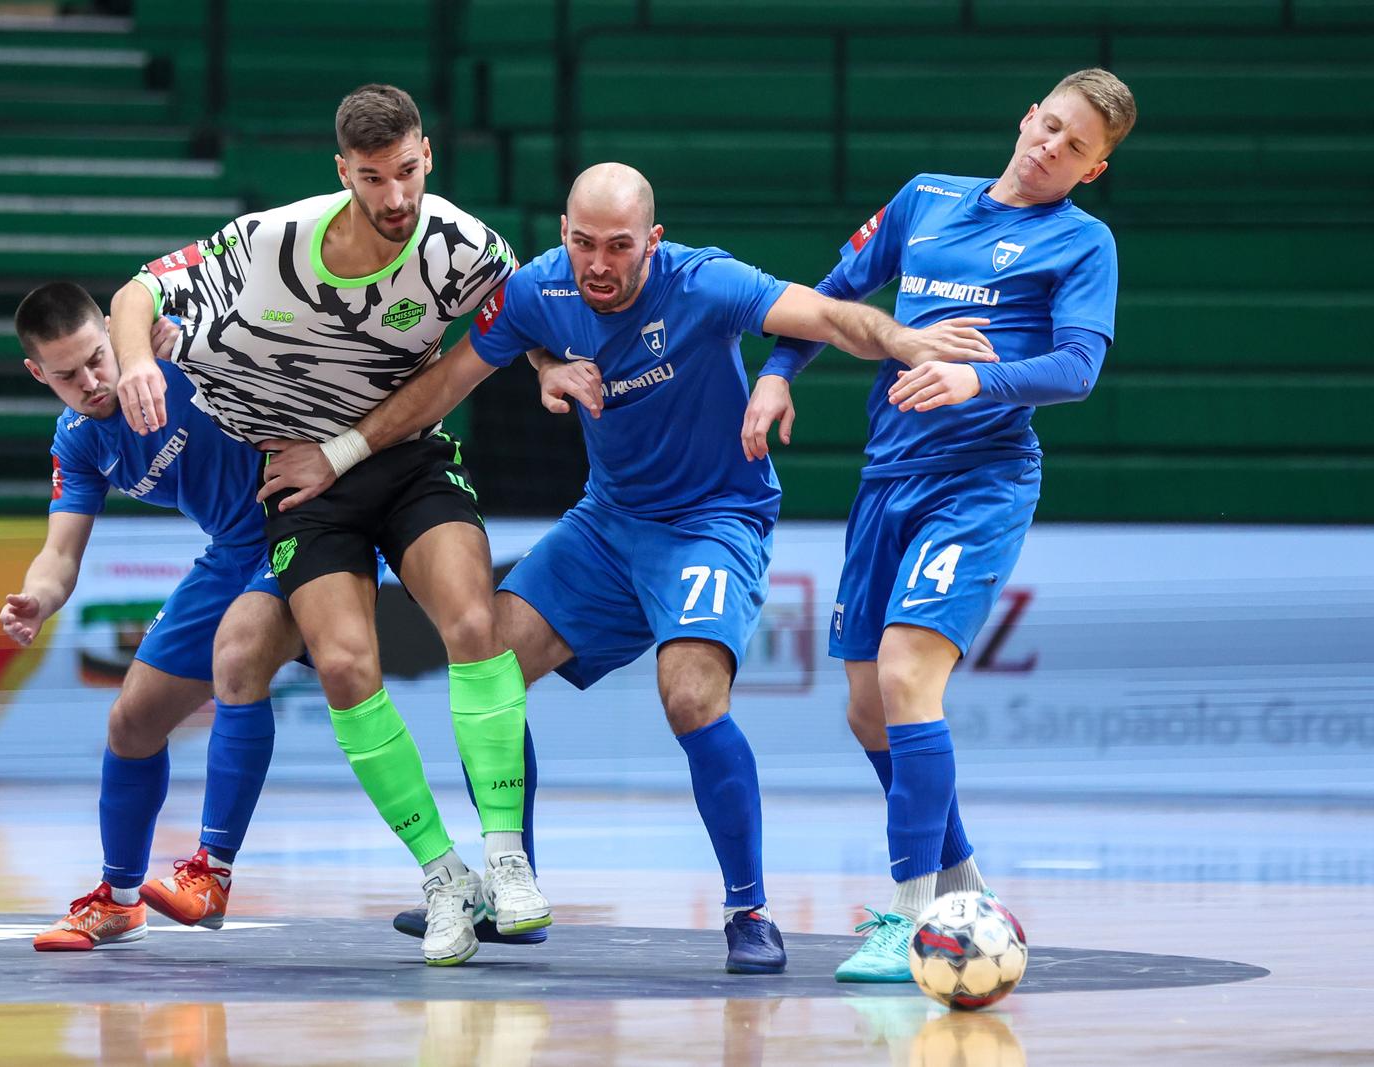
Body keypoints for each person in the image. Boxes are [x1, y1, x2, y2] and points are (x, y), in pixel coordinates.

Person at [260, 161, 998, 973]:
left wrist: (900, 339)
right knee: (489, 659)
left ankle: (748, 909)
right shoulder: (543, 290)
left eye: (618, 246)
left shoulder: (706, 282)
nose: (599, 264)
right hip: (608, 525)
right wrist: (339, 454)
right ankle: (515, 889)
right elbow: (443, 385)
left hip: (713, 521)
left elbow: (824, 313)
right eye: (582, 243)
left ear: (653, 239)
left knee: (688, 694)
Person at [107, 84, 549, 967]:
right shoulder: (267, 244)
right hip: (301, 486)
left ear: (429, 153)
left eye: (410, 172)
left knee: (473, 621)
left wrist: (549, 365)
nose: (396, 199)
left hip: (408, 456)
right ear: (343, 172)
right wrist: (132, 367)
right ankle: (442, 874)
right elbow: (133, 291)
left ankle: (508, 861)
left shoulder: (460, 244)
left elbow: (526, 311)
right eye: (375, 179)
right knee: (346, 664)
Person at [744, 68, 1138, 981]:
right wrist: (775, 374)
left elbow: (1077, 367)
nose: (1050, 148)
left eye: (1075, 147)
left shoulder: (1082, 243)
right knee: (866, 707)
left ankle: (914, 915)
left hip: (981, 480)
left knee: (907, 673)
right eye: (1049, 126)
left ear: (1094, 169)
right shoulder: (926, 199)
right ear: (1026, 114)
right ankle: (962, 882)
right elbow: (832, 296)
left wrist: (977, 378)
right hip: (888, 475)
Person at [6, 282, 306, 951]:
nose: (90, 380)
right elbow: (59, 552)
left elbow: (282, 338)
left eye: (95, 358)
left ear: (113, 332)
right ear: (37, 373)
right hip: (233, 549)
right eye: (65, 374)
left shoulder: (173, 343)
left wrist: (202, 346)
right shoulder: (79, 441)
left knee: (238, 658)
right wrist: (38, 598)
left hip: (311, 520)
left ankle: (212, 872)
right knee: (132, 720)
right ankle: (118, 900)